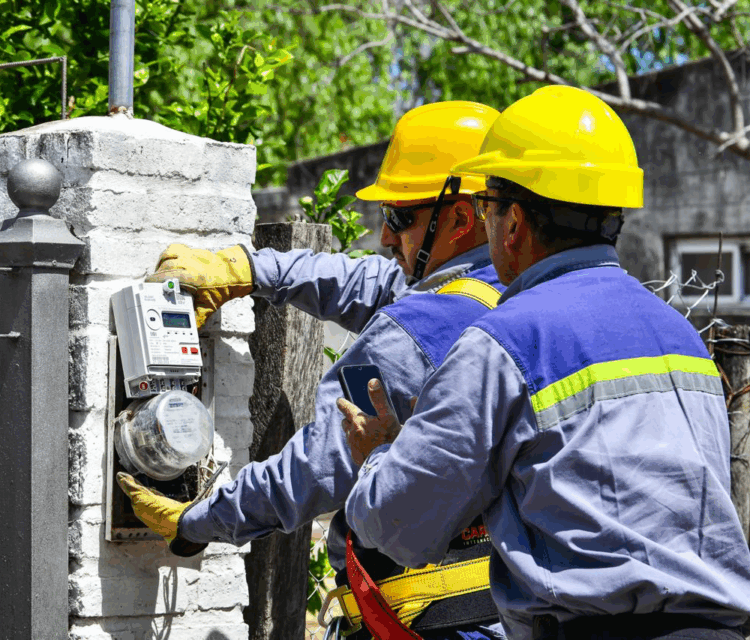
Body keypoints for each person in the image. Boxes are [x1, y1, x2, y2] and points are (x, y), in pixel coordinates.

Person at [339, 86, 750, 640]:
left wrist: (379, 457)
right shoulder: (680, 337)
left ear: (514, 222)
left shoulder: (502, 343)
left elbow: (399, 526)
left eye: (487, 207)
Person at [116, 101, 511, 639]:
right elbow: (374, 283)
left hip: (429, 624)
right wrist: (249, 268)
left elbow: (317, 466)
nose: (385, 236)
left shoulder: (418, 332)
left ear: (462, 219)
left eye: (400, 218)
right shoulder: (507, 294)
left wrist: (198, 520)